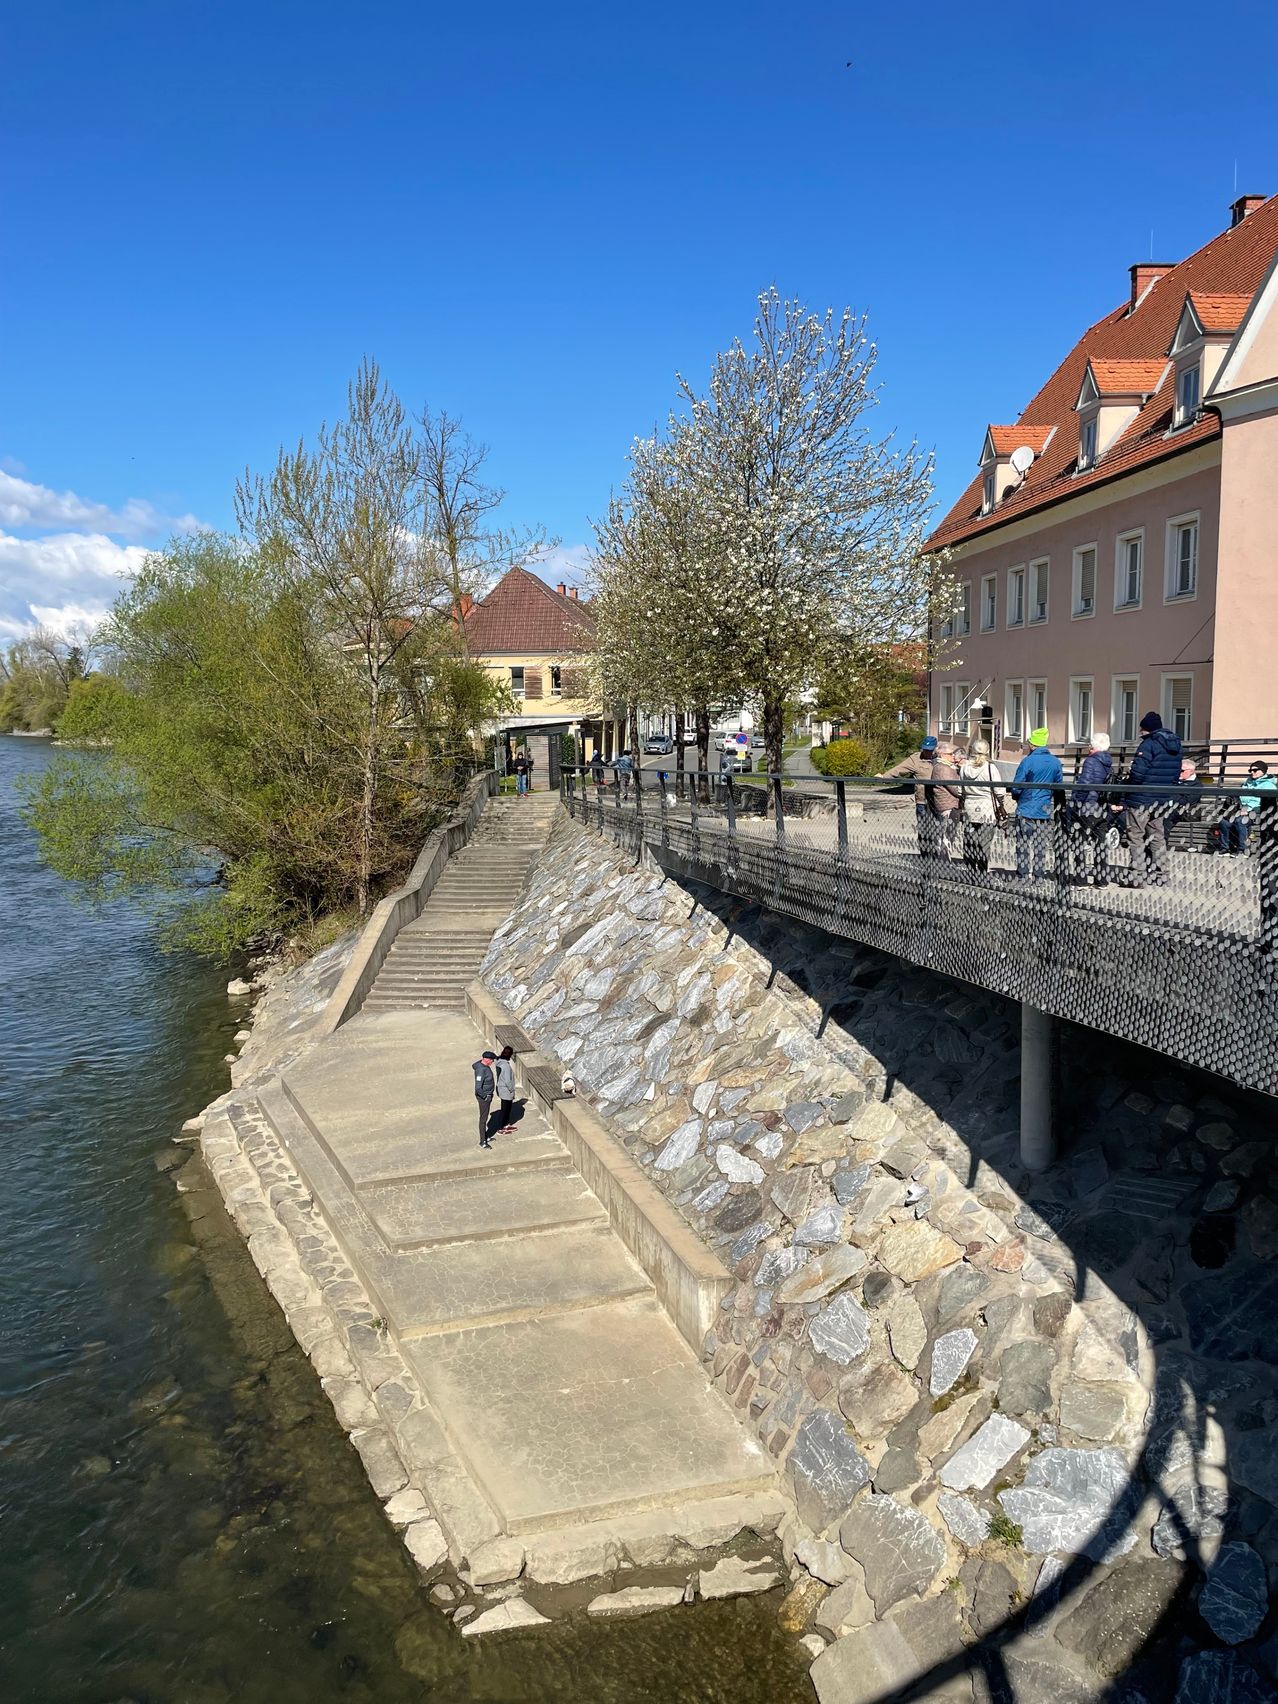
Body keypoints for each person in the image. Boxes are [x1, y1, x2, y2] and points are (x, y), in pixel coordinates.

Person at [1124, 711, 1183, 887]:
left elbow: (1138, 773)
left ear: (1146, 729)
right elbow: (1175, 773)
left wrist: (1129, 782)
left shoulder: (1148, 745)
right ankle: (1162, 875)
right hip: (1162, 797)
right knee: (1157, 836)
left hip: (1141, 797)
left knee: (1136, 836)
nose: (1140, 732)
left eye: (1141, 729)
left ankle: (1137, 877)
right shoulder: (1176, 745)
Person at [1010, 728, 1063, 880]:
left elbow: (1017, 785)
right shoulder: (1055, 762)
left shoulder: (1027, 761)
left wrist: (1016, 796)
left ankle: (1023, 875)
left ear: (1033, 745)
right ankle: (1039, 876)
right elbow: (1059, 786)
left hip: (1026, 807)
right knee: (1040, 845)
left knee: (1023, 844)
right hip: (1044, 809)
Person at [879, 734, 940, 857]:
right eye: (925, 749)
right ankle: (925, 856)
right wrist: (884, 777)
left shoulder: (941, 758)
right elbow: (899, 769)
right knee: (923, 829)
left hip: (940, 801)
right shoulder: (916, 759)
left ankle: (938, 857)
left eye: (929, 750)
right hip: (923, 801)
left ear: (934, 749)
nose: (926, 752)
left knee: (938, 829)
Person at [959, 738, 1008, 875]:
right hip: (987, 808)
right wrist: (1001, 803)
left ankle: (969, 870)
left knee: (969, 840)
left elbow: (959, 790)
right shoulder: (990, 768)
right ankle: (981, 871)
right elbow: (999, 791)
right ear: (987, 751)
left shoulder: (964, 768)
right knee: (984, 842)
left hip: (969, 806)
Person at [1071, 732, 1113, 887]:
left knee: (1080, 843)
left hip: (1088, 808)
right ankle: (1101, 880)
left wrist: (1076, 801)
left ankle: (1081, 880)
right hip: (1102, 808)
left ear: (1093, 746)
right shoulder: (1108, 762)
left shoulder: (1090, 762)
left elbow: (1085, 784)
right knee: (1100, 844)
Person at [1224, 760, 1278, 853]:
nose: (1252, 772)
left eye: (1255, 770)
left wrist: (1248, 810)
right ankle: (1225, 848)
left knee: (1240, 821)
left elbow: (1264, 803)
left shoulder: (1269, 785)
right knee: (1224, 822)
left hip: (1258, 812)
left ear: (1263, 771)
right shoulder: (1248, 782)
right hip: (1242, 809)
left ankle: (1243, 849)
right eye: (1250, 771)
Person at [927, 740, 964, 860]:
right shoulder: (943, 768)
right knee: (947, 836)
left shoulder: (943, 766)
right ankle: (944, 862)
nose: (953, 756)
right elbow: (956, 789)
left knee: (946, 835)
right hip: (948, 806)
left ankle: (943, 861)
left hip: (946, 805)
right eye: (951, 754)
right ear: (942, 755)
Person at [472, 1049, 497, 1148]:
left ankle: (485, 1136)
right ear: (487, 1060)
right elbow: (478, 1087)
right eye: (491, 1060)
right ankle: (483, 1141)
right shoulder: (481, 1070)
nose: (492, 1062)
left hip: (487, 1095)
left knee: (485, 1117)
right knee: (483, 1119)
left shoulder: (481, 1065)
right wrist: (485, 1096)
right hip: (484, 1098)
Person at [494, 1045, 517, 1135]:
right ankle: (501, 1128)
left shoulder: (498, 1062)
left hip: (500, 1088)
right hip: (506, 1090)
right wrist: (512, 1089)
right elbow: (508, 1080)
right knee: (505, 1110)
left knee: (505, 1108)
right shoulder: (506, 1066)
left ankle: (506, 1125)